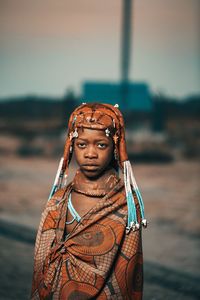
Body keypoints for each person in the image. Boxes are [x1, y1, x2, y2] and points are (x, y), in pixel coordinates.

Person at [31, 102, 147, 300]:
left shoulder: (126, 205)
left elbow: (126, 277)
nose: (90, 154)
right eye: (81, 144)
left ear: (116, 148)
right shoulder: (57, 203)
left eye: (101, 145)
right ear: (71, 147)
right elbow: (42, 264)